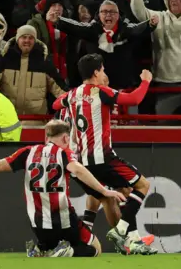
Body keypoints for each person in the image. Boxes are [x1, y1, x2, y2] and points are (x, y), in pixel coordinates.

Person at [0, 120, 126, 257]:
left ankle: (42, 248)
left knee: (52, 242)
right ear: (65, 138)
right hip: (64, 221)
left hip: (38, 224)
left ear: (45, 137)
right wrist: (104, 191)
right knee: (96, 249)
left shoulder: (27, 152)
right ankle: (65, 251)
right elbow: (77, 169)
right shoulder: (64, 153)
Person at [52, 54, 157, 255]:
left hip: (80, 162)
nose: (104, 74)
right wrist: (145, 81)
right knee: (142, 185)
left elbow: (56, 105)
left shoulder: (71, 95)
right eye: (102, 70)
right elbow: (134, 99)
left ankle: (132, 240)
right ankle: (121, 230)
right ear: (95, 72)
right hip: (102, 157)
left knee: (117, 194)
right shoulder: (101, 92)